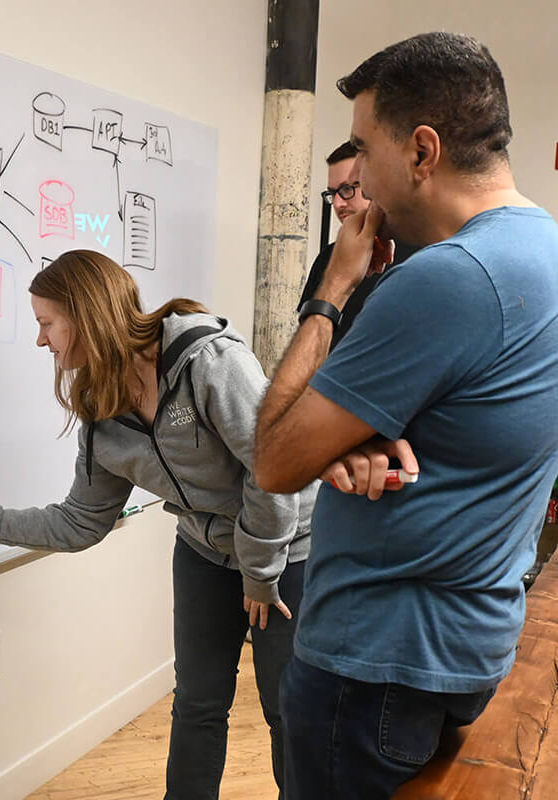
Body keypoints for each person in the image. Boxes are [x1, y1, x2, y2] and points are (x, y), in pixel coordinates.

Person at [254, 32, 558, 799]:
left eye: (365, 148)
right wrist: (345, 443)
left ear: (422, 151)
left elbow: (273, 458)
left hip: (372, 666)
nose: (361, 179)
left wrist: (331, 288)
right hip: (468, 644)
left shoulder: (448, 279)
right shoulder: (545, 250)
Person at [0, 249, 317, 800]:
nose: (41, 341)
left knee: (287, 707)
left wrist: (259, 571)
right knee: (196, 702)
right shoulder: (102, 409)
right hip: (204, 550)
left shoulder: (206, 361)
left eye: (47, 323)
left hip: (287, 547)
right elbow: (79, 523)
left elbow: (274, 466)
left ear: (85, 313)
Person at [299, 141, 416, 349]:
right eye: (332, 193)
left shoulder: (422, 257)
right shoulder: (328, 257)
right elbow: (307, 342)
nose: (337, 204)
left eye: (346, 188)